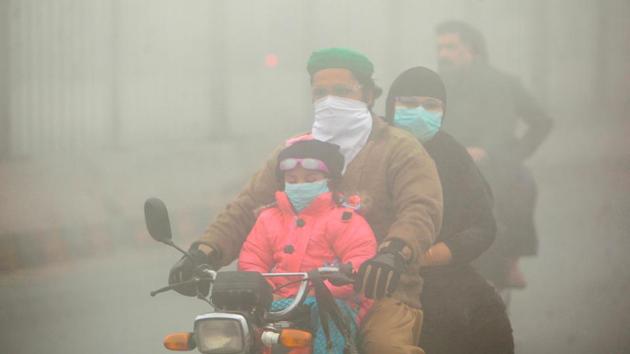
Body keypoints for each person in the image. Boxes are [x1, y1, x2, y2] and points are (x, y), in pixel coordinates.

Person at [168, 47, 443, 354]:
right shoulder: (293, 153)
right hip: (288, 296)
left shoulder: (400, 149)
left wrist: (392, 254)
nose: (330, 100)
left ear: (368, 95)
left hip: (379, 289)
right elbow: (246, 208)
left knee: (382, 347)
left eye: (341, 91)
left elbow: (420, 210)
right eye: (320, 93)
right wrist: (204, 252)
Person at [385, 66, 514, 353]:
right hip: (369, 271)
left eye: (430, 105)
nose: (419, 111)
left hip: (438, 272)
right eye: (408, 103)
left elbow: (483, 226)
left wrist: (425, 257)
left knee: (483, 319)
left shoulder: (451, 152)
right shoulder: (369, 147)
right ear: (390, 104)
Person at [435, 21, 553, 289]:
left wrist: (515, 153)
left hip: (497, 164)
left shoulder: (504, 83)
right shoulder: (439, 86)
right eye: (440, 47)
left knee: (521, 186)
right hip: (450, 163)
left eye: (451, 47)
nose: (443, 54)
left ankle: (511, 262)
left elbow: (541, 121)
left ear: (472, 50)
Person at [238, 138, 376, 353]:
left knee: (329, 317)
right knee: (235, 325)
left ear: (329, 181)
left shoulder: (345, 219)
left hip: (329, 303)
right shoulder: (268, 218)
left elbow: (360, 259)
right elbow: (252, 260)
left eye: (311, 179)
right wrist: (262, 292)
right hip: (275, 301)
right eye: (292, 180)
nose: (300, 185)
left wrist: (325, 290)